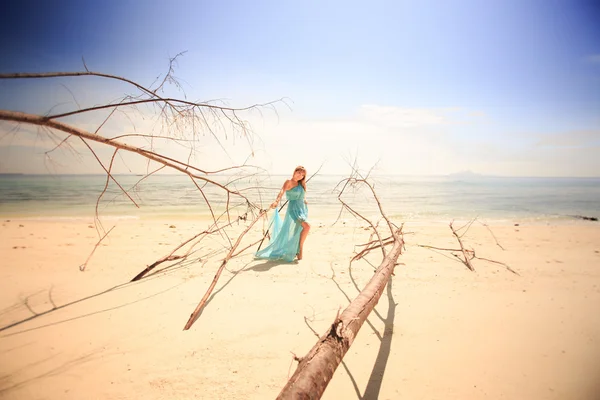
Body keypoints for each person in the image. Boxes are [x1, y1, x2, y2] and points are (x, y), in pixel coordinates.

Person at [255, 166, 311, 262]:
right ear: (294, 172)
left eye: (302, 175)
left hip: (302, 208)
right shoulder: (288, 182)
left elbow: (301, 194)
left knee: (298, 230)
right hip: (294, 209)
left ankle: (295, 249)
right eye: (299, 173)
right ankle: (299, 247)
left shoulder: (301, 184)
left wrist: (304, 200)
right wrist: (276, 201)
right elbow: (282, 191)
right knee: (307, 226)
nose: (300, 176)